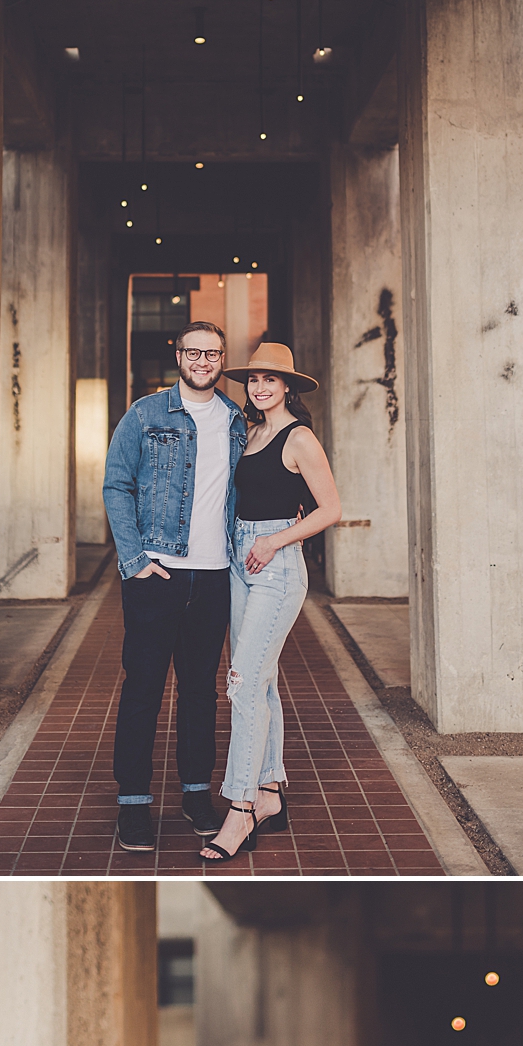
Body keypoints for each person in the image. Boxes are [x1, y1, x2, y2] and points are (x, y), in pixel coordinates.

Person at [102, 320, 246, 850]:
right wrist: (135, 559)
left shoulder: (236, 420)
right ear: (179, 356)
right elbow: (116, 484)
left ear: (222, 359)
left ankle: (194, 794)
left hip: (213, 578)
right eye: (194, 352)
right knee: (142, 689)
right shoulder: (145, 414)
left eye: (213, 353)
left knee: (199, 695)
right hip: (155, 575)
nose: (203, 361)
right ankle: (133, 804)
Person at [198, 344, 343, 864]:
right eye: (254, 379)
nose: (260, 387)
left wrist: (276, 541)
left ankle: (239, 807)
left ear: (288, 387)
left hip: (275, 567)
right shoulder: (250, 432)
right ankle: (271, 790)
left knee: (240, 684)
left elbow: (331, 509)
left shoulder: (298, 437)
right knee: (261, 682)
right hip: (241, 558)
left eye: (271, 380)